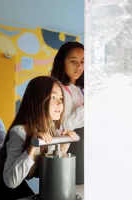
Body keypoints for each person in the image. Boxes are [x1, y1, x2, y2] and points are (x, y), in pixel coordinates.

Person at [0, 76, 77, 200]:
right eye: (53, 97)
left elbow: (46, 170)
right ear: (37, 100)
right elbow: (10, 181)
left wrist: (64, 144)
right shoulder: (20, 132)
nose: (60, 103)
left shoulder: (53, 132)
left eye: (61, 99)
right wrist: (31, 148)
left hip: (14, 183)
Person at [50, 41, 84, 184]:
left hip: (83, 143)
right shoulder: (59, 88)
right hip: (71, 144)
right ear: (61, 62)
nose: (79, 66)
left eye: (82, 62)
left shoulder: (78, 88)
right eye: (73, 61)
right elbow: (64, 124)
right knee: (72, 186)